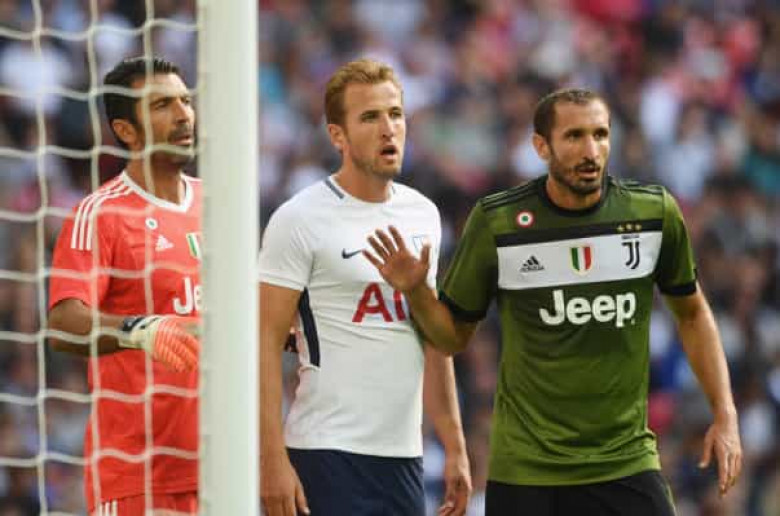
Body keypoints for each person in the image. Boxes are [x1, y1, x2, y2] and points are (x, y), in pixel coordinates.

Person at [364, 88, 743, 515]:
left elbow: (692, 313)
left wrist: (724, 412)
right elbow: (451, 338)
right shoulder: (499, 222)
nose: (591, 151)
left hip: (625, 460)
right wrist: (417, 291)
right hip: (528, 470)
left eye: (600, 135)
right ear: (541, 146)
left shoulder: (652, 214)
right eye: (574, 136)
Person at [258, 58, 472, 516]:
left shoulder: (423, 214)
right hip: (325, 452)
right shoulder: (299, 219)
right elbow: (264, 343)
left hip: (403, 458)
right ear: (337, 135)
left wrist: (454, 444)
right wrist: (271, 459)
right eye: (370, 117)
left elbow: (433, 337)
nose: (388, 129)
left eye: (395, 114)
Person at [48, 56, 201, 516]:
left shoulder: (218, 204)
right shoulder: (101, 214)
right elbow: (63, 323)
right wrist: (141, 330)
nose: (183, 114)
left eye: (185, 100)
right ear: (126, 130)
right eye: (161, 105)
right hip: (139, 477)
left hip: (225, 465)